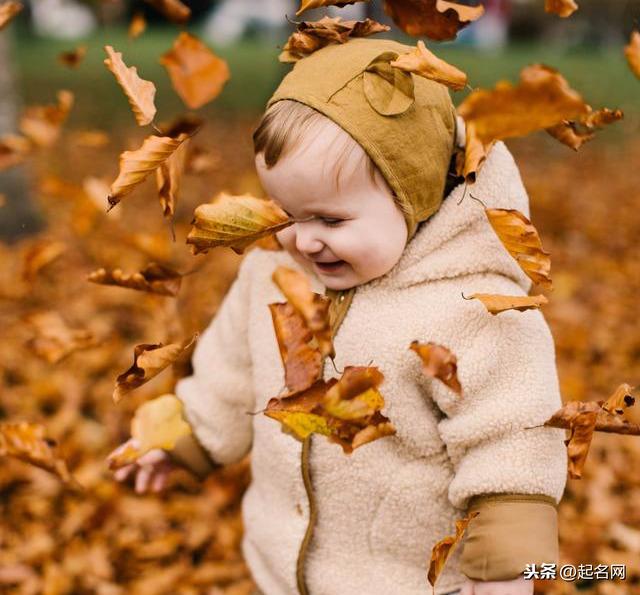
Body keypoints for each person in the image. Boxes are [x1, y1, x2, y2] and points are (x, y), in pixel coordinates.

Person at [109, 38, 567, 595]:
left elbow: (511, 442)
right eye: (289, 214)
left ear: (414, 197)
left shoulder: (475, 310)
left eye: (330, 219)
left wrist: (504, 569)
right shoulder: (271, 279)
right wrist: (180, 439)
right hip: (281, 574)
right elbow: (228, 381)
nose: (304, 239)